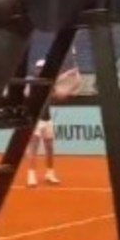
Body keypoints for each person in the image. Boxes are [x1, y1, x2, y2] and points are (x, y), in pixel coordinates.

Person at [26, 57, 82, 187]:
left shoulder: (50, 86)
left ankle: (50, 173)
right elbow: (54, 81)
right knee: (34, 147)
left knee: (49, 148)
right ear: (36, 69)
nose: (42, 70)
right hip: (35, 120)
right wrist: (68, 74)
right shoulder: (33, 81)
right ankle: (31, 175)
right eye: (40, 68)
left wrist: (73, 86)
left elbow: (59, 96)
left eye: (43, 68)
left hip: (47, 119)